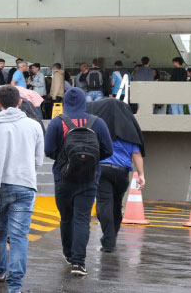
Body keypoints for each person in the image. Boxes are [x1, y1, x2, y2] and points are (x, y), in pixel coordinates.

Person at [0, 85, 44, 293]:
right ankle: (15, 286)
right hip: (24, 185)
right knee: (18, 236)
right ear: (20, 102)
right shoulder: (34, 125)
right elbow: (39, 160)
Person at [45, 88, 113, 276]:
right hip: (89, 179)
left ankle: (68, 254)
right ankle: (78, 262)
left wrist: (64, 159)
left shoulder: (57, 123)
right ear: (85, 102)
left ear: (65, 102)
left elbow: (48, 150)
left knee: (66, 218)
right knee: (82, 219)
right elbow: (108, 150)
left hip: (63, 178)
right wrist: (89, 161)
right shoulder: (97, 123)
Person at [96, 115, 145, 253]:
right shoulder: (129, 135)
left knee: (104, 204)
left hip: (103, 170)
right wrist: (141, 175)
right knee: (116, 205)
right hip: (122, 174)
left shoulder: (102, 132)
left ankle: (109, 240)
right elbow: (137, 155)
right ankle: (112, 237)